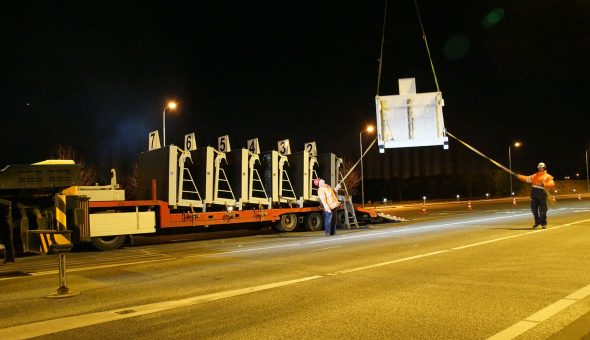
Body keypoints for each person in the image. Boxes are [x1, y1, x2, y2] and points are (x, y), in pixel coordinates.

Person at [515, 162, 555, 229]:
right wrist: (519, 176)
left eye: (541, 167)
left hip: (542, 194)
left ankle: (543, 223)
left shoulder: (548, 176)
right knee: (534, 210)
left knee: (542, 210)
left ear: (544, 167)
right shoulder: (535, 176)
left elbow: (552, 183)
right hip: (534, 194)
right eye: (539, 167)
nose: (540, 168)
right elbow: (527, 178)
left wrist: (544, 184)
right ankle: (537, 222)